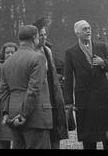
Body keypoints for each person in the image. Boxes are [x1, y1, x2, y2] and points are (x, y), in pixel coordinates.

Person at [63, 20, 108, 149]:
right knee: (88, 137)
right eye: (84, 29)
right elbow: (69, 78)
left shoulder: (101, 46)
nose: (88, 31)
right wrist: (69, 102)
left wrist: (103, 62)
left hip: (103, 96)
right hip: (84, 99)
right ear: (77, 33)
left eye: (89, 28)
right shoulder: (70, 52)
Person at [0, 26, 53, 149]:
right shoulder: (38, 58)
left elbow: (3, 92)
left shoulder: (8, 62)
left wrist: (6, 113)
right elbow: (33, 90)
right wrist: (24, 114)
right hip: (35, 116)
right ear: (35, 38)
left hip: (13, 116)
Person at [33, 18, 69, 149]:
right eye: (40, 35)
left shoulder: (48, 51)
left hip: (53, 98)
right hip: (39, 99)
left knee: (56, 133)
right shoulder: (31, 52)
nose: (43, 37)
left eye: (45, 34)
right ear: (34, 37)